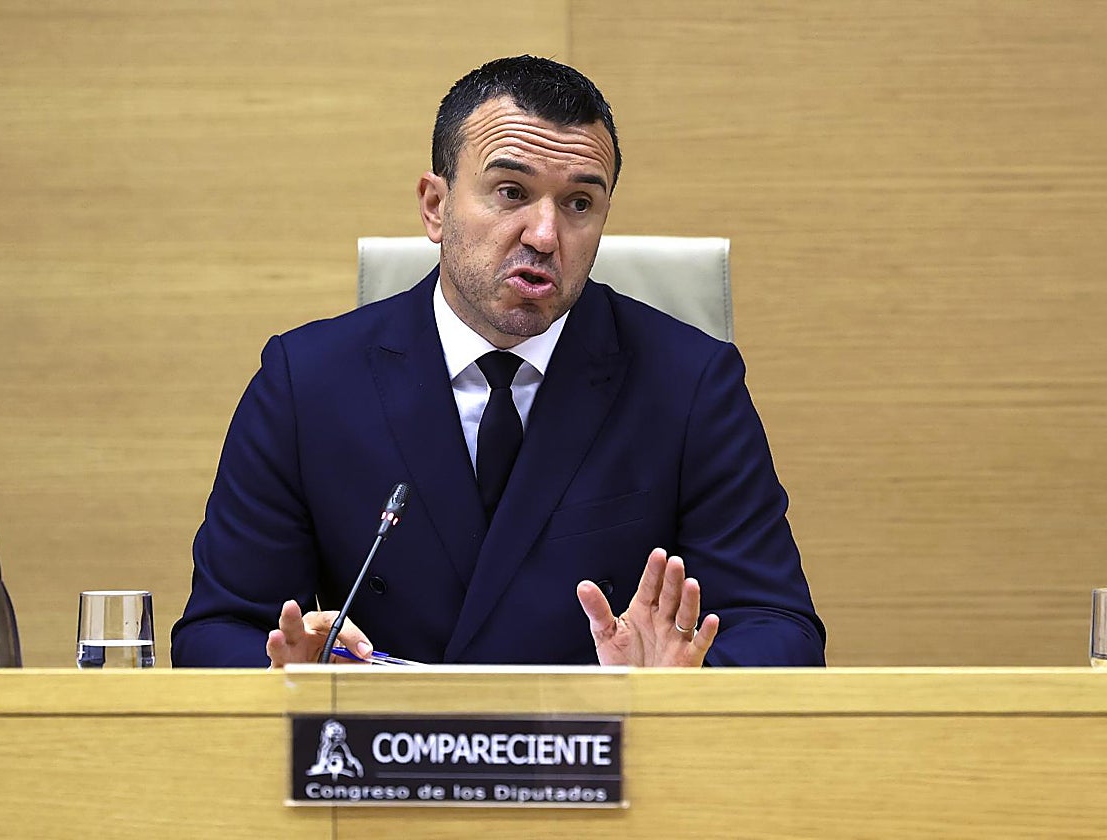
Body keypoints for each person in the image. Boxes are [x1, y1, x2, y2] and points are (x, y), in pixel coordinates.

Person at [171, 55, 825, 669]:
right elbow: (216, 630)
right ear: (435, 206)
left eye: (579, 204)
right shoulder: (305, 383)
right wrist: (294, 674)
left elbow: (780, 626)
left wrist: (682, 684)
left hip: (605, 771)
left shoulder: (689, 385)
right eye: (511, 192)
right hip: (388, 770)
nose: (545, 236)